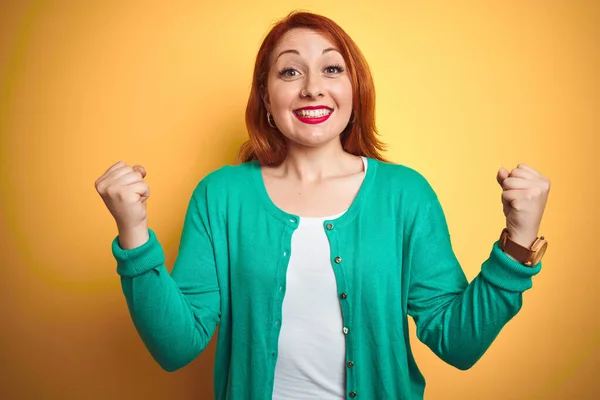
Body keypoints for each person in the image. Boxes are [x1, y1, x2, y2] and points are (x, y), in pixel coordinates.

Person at [94, 11, 551, 400]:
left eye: (332, 69)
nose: (312, 87)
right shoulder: (220, 196)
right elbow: (176, 347)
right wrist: (134, 234)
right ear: (267, 100)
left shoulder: (405, 195)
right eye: (290, 72)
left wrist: (519, 243)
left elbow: (458, 343)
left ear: (355, 90)